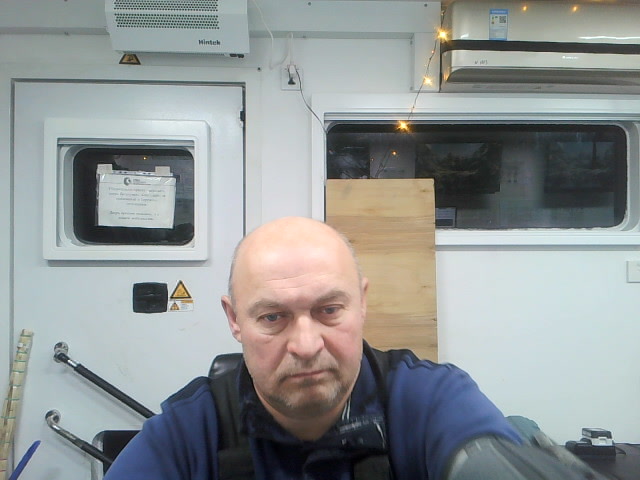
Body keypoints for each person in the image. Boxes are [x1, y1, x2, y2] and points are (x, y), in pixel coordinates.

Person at [103, 217, 599, 480]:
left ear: (361, 303)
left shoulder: (429, 401)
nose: (305, 345)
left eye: (329, 310)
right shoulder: (187, 433)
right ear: (235, 320)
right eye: (273, 317)